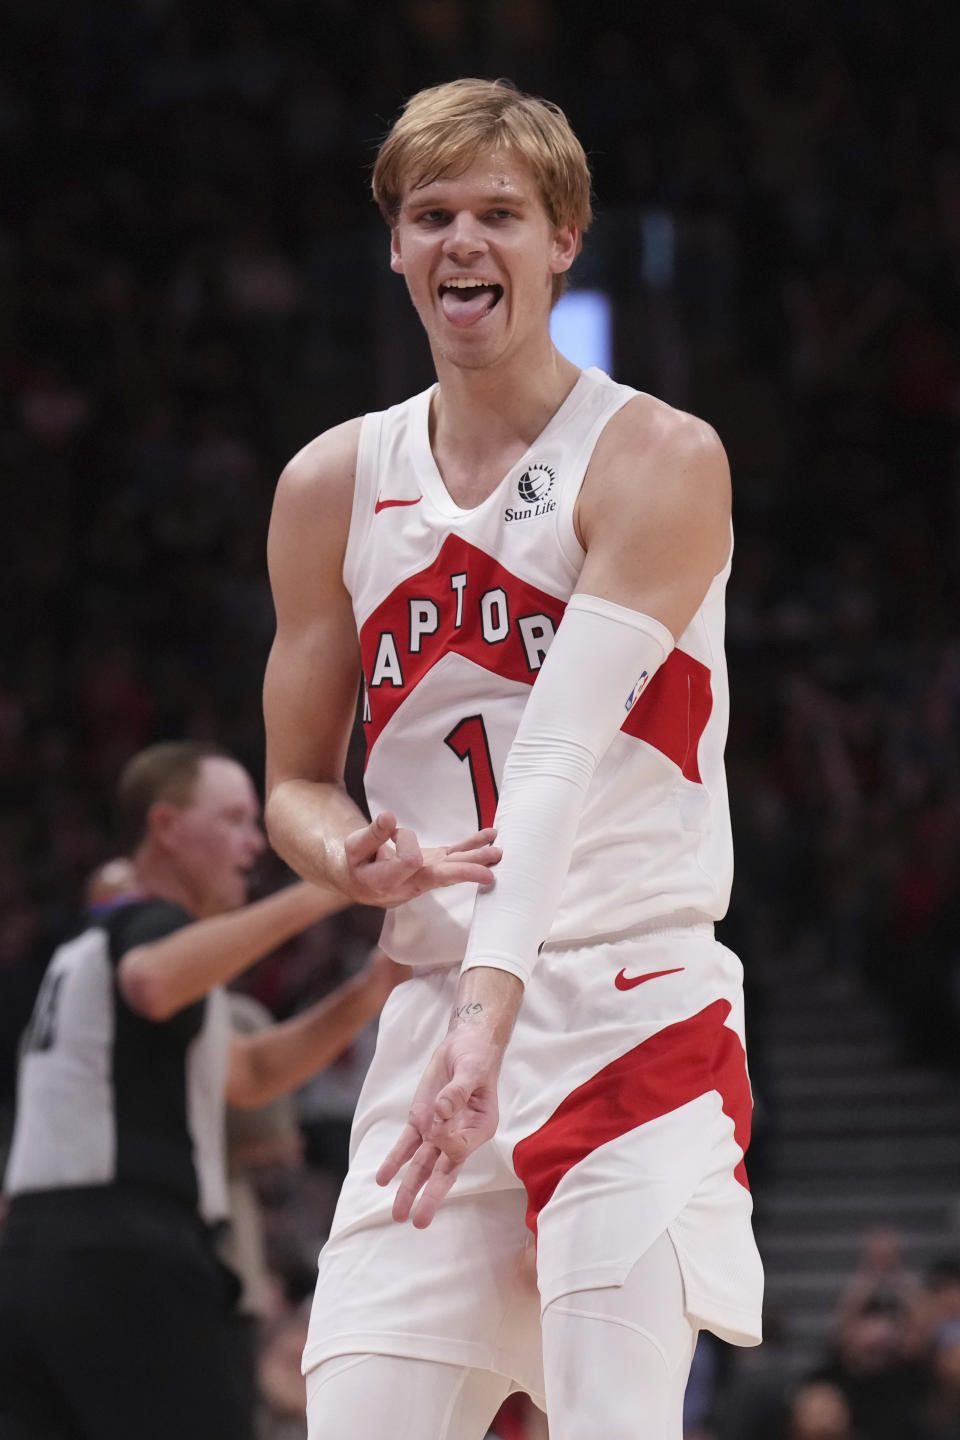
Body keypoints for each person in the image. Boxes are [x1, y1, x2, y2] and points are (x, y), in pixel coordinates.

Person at [263, 77, 764, 1440]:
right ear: (395, 246)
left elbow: (546, 770)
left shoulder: (657, 455)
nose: (464, 242)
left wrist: (490, 1024)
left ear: (565, 239)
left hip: (626, 1003)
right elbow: (296, 783)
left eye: (500, 213)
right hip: (433, 1022)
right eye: (433, 215)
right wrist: (343, 855)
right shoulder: (330, 486)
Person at [0, 740, 497, 1440]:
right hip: (124, 1254)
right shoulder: (148, 929)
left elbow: (250, 1074)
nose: (252, 843)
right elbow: (152, 979)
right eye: (233, 820)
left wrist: (368, 992)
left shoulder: (88, 949)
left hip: (31, 1261)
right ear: (166, 827)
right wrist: (332, 884)